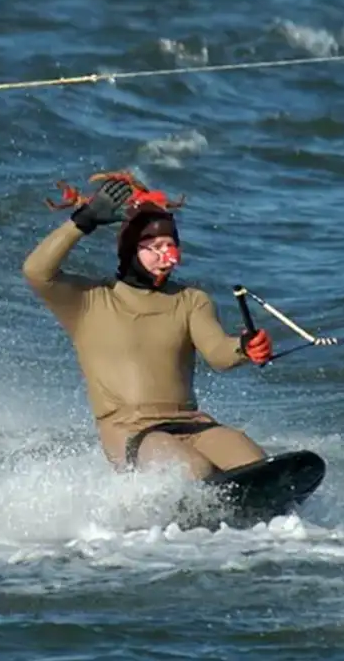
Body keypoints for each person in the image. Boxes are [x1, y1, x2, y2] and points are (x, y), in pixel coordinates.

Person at [22, 170, 275, 481]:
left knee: (256, 464)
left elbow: (217, 353)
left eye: (168, 244)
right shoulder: (89, 301)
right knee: (194, 471)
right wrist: (83, 221)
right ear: (130, 250)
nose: (163, 254)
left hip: (192, 422)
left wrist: (244, 346)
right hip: (128, 430)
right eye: (151, 245)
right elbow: (36, 271)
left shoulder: (190, 300)